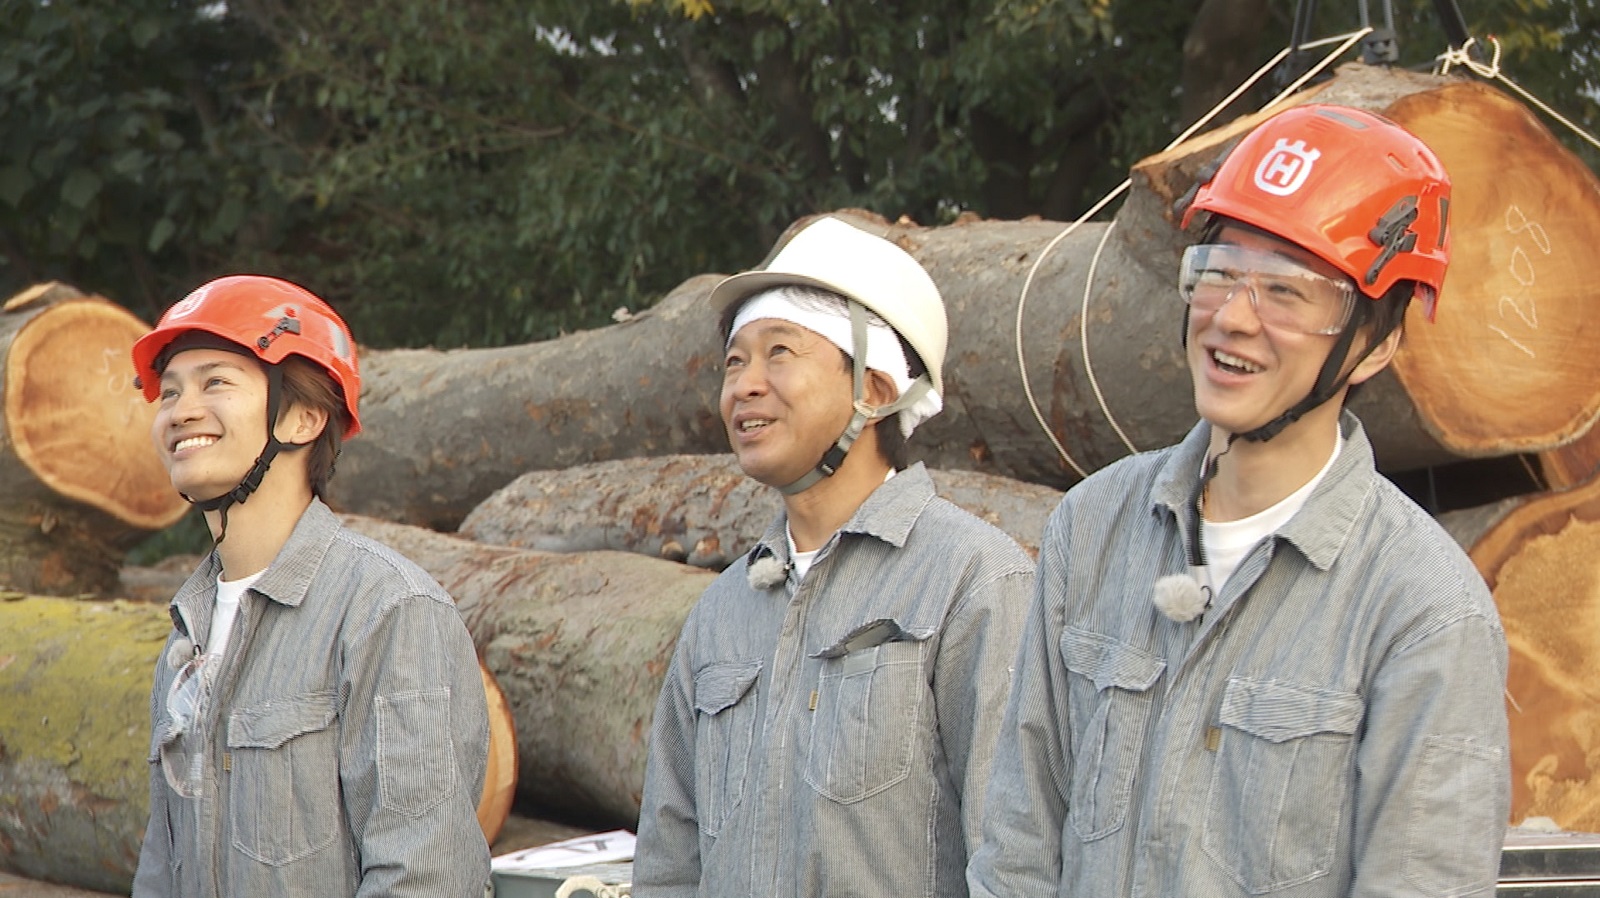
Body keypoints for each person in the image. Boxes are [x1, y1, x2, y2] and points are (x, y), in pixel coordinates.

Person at [967, 104, 1510, 897]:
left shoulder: (1422, 611)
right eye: (1217, 273)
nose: (1234, 318)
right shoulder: (1094, 529)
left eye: (1290, 292)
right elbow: (1019, 850)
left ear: (1378, 343)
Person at [633, 216, 1035, 896]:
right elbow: (669, 866)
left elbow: (1018, 860)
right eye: (735, 361)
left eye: (779, 352)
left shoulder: (973, 583)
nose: (745, 385)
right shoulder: (723, 614)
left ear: (875, 388)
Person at [128, 275, 491, 897]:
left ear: (302, 418)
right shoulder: (188, 633)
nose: (180, 410)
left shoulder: (389, 613)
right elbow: (163, 871)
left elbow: (423, 879)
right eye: (168, 392)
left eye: (215, 381)